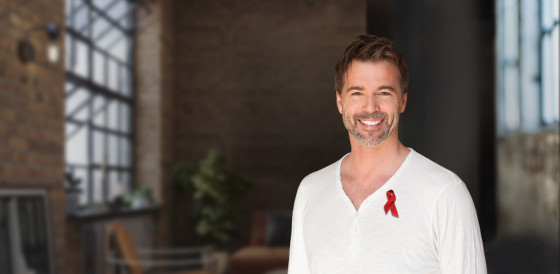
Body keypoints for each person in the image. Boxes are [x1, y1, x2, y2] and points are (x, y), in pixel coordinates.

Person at [288, 34, 487, 273]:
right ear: (340, 102)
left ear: (402, 101)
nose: (370, 107)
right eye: (357, 93)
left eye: (384, 93)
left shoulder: (445, 193)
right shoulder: (311, 190)